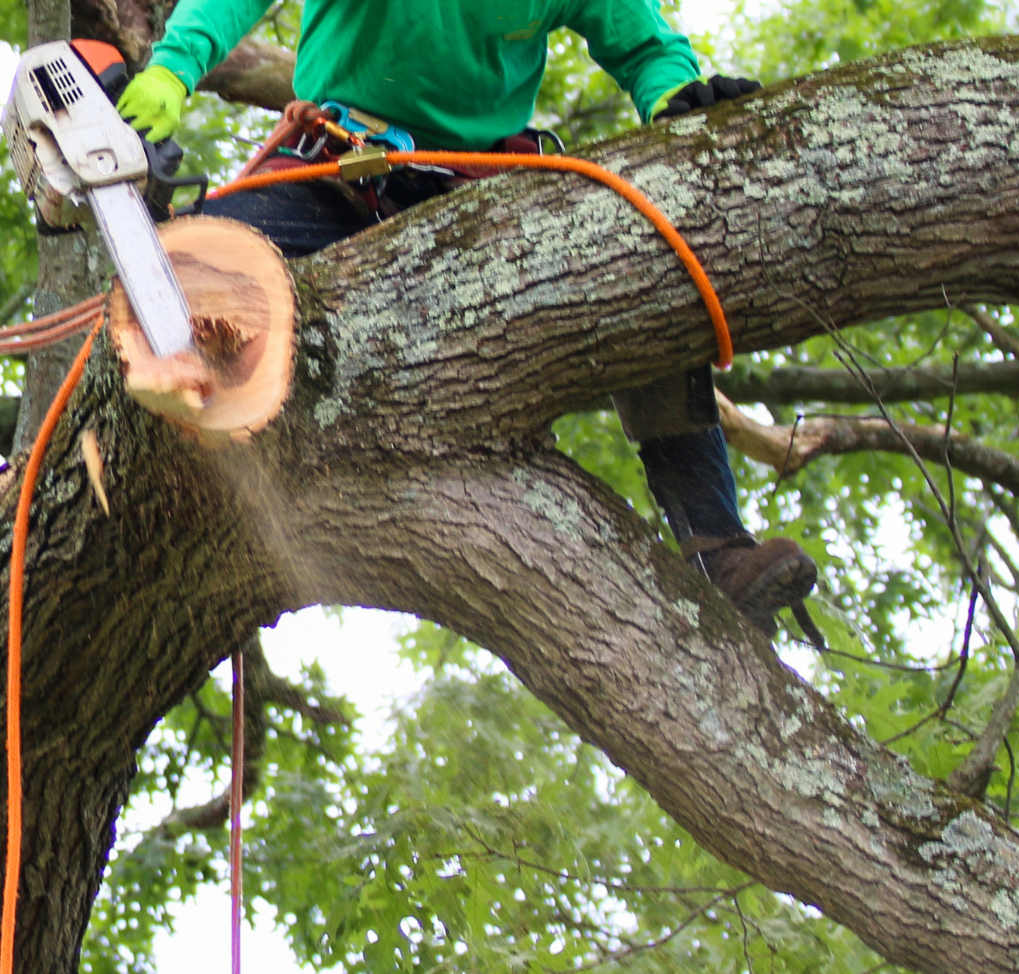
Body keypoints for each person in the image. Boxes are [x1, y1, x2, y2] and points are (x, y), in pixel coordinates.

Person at [114, 0, 817, 632]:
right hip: (336, 171)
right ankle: (183, 465)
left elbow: (643, 46)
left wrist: (670, 96)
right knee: (193, 274)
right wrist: (174, 70)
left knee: (641, 261)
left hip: (482, 194)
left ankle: (716, 549)